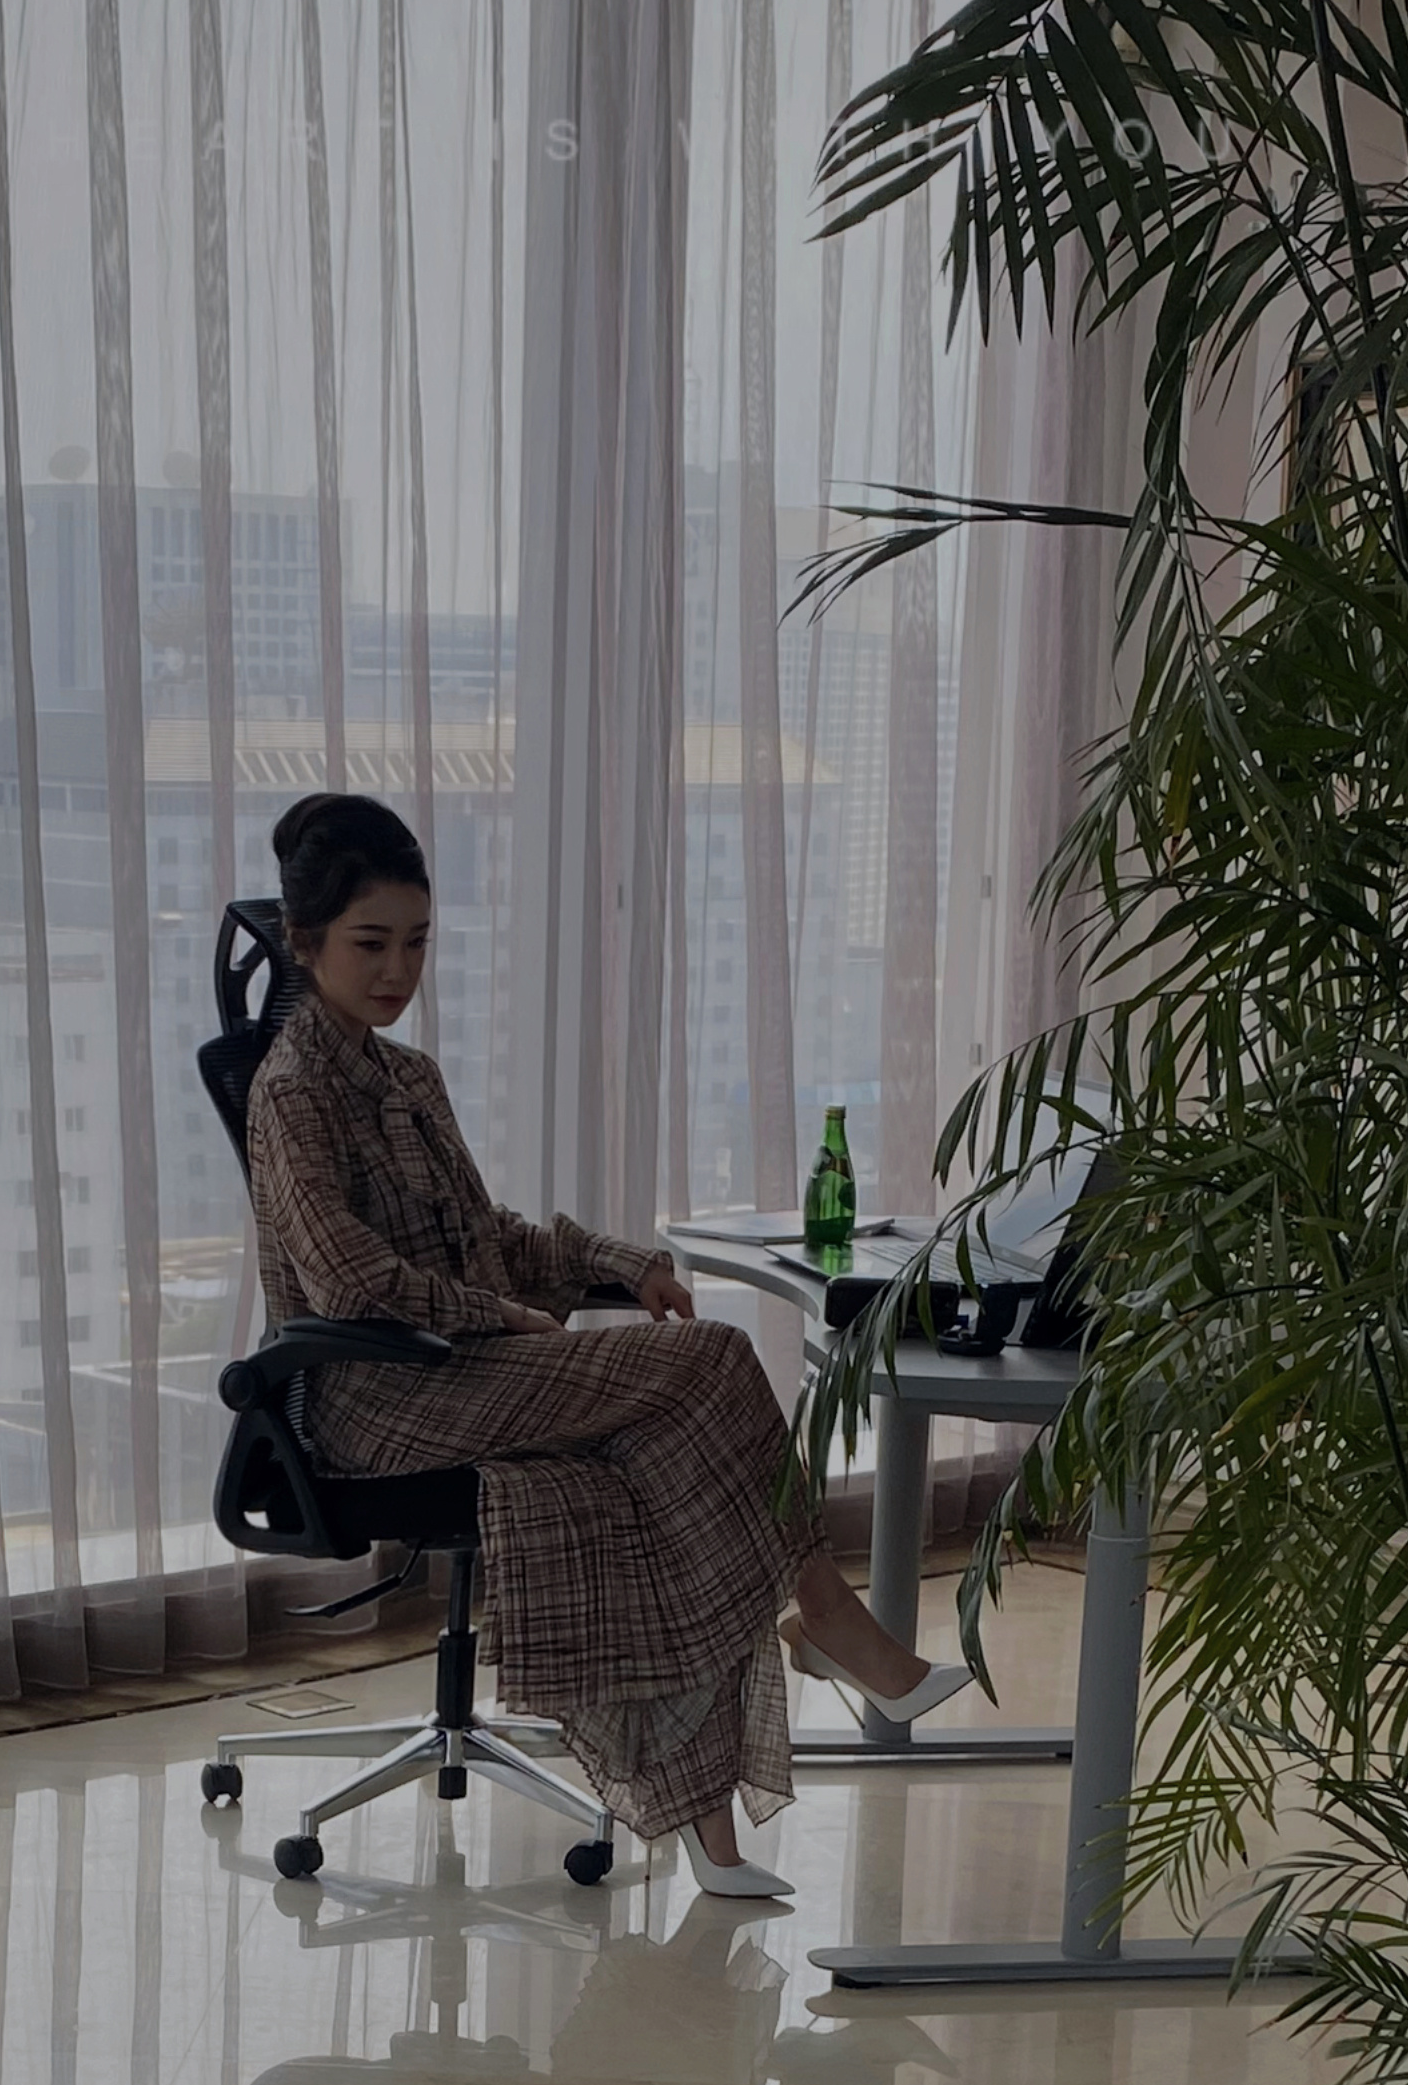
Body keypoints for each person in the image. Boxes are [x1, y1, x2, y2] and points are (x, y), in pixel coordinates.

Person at [238, 792, 962, 1901]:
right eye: (369, 944)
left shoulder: (407, 1077)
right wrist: (505, 1317)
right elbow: (349, 1280)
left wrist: (620, 1266)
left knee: (658, 1460)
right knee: (712, 1361)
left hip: (466, 1374)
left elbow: (488, 1238)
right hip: (374, 1396)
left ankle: (709, 1830)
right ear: (304, 944)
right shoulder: (290, 1093)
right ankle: (824, 1615)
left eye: (416, 943)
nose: (397, 970)